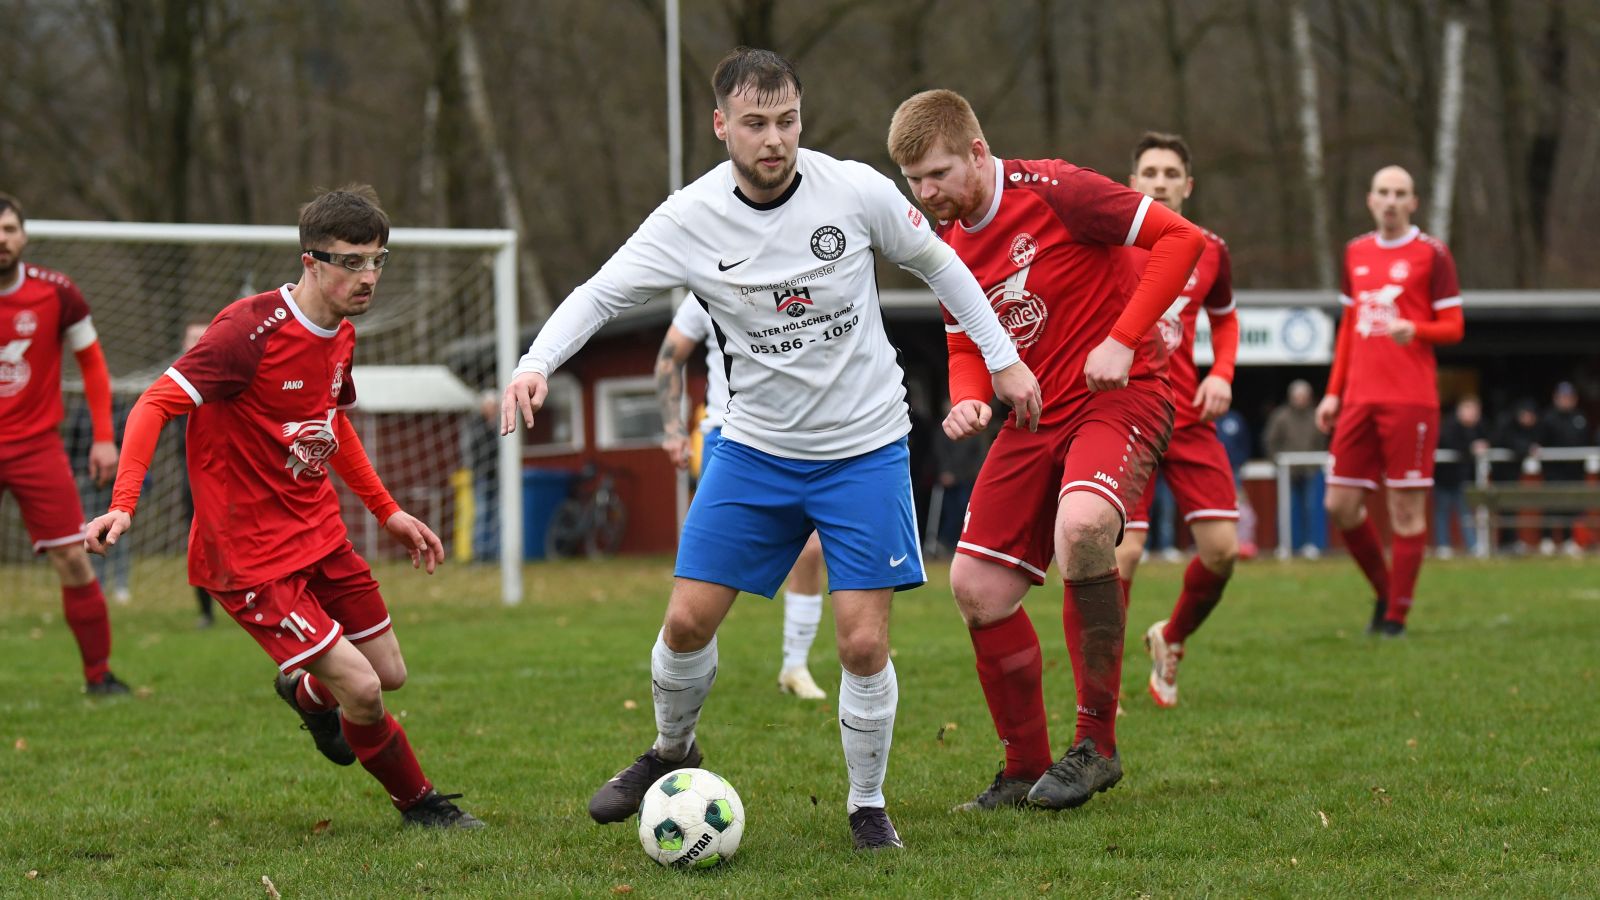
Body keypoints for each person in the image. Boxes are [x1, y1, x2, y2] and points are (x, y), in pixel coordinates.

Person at [501, 49, 1041, 851]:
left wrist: (1002, 358)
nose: (775, 139)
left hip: (864, 448)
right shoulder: (688, 218)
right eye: (755, 124)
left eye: (787, 120)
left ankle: (867, 805)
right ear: (721, 127)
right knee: (685, 624)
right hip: (754, 451)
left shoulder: (853, 190)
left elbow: (942, 264)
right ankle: (670, 751)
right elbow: (600, 292)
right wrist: (536, 363)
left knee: (861, 643)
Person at [85, 185, 482, 829]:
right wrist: (124, 503)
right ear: (310, 260)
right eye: (351, 262)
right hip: (249, 556)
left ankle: (302, 690)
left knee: (390, 671)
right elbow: (154, 402)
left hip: (319, 532)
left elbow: (335, 423)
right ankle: (421, 806)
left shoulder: (341, 334)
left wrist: (388, 513)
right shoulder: (245, 333)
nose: (369, 276)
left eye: (378, 259)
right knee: (363, 689)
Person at [888, 90, 1204, 810]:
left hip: (1119, 396)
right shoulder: (948, 246)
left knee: (1085, 528)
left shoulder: (1056, 190)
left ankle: (1096, 745)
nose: (928, 195)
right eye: (914, 183)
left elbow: (1179, 240)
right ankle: (1024, 765)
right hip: (1034, 418)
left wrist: (1122, 339)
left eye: (938, 175)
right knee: (974, 586)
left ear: (976, 150)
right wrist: (969, 395)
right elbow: (965, 339)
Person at [1115, 132, 1243, 710]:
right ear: (1132, 182)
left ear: (1188, 186)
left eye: (1171, 173)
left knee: (1221, 551)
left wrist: (1224, 373)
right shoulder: (1109, 241)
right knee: (1123, 552)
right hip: (1128, 412)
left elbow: (1227, 317)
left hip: (1188, 417)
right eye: (1150, 171)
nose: (1160, 181)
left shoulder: (1211, 248)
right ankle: (1102, 687)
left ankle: (1170, 637)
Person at [656, 295, 829, 700]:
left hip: (795, 437)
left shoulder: (802, 277)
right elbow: (670, 356)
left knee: (810, 550)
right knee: (708, 576)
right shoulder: (708, 283)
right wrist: (672, 428)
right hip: (729, 437)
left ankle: (794, 666)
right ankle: (679, 670)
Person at [1316, 166, 1464, 637]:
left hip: (1411, 399)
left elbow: (1455, 327)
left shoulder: (1432, 254)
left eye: (1401, 193)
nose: (1392, 201)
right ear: (1370, 199)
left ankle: (1396, 617)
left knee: (1405, 508)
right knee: (1339, 504)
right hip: (1359, 397)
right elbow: (1346, 328)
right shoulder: (1355, 252)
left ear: (1414, 202)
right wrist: (1333, 392)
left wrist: (1416, 329)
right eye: (1384, 192)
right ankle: (1385, 589)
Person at [0, 191, 129, 694]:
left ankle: (99, 676)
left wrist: (103, 437)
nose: (1, 239)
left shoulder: (57, 293)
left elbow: (93, 364)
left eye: (9, 229)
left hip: (36, 448)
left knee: (76, 557)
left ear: (24, 236)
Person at [68, 396, 134, 603]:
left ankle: (121, 585)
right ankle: (98, 583)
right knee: (91, 533)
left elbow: (131, 443)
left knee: (118, 534)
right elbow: (73, 444)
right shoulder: (81, 410)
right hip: (90, 482)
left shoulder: (121, 408)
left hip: (118, 484)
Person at [1264, 379, 1329, 556]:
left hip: (1310, 470)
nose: (1300, 399)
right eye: (1297, 396)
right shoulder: (1281, 416)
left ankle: (1313, 545)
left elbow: (1323, 442)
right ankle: (1287, 546)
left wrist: (1316, 462)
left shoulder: (1316, 415)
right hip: (1288, 473)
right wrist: (1277, 463)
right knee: (1287, 509)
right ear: (1291, 397)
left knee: (1313, 508)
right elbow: (1270, 442)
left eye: (1303, 396)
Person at [1536, 381, 1589, 556]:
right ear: (1556, 398)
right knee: (1551, 506)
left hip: (1574, 472)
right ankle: (1547, 540)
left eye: (1569, 397)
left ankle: (1568, 540)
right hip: (1553, 472)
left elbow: (1587, 442)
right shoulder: (1548, 418)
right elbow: (1539, 443)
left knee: (1571, 507)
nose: (1566, 400)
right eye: (1562, 397)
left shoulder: (1580, 418)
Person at [929, 400, 987, 556]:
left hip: (967, 478)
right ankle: (946, 544)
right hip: (949, 480)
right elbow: (940, 452)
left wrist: (973, 473)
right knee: (950, 512)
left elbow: (979, 454)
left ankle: (963, 543)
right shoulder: (943, 429)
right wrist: (946, 471)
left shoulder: (975, 428)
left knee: (965, 511)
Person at [1434, 395, 1488, 558]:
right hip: (1444, 478)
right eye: (1470, 410)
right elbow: (1449, 443)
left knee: (1465, 513)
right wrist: (1471, 448)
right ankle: (1443, 545)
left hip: (1463, 479)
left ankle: (1472, 545)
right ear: (1460, 410)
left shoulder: (1478, 428)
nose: (1473, 414)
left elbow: (1490, 438)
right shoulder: (1449, 426)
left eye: (1475, 411)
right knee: (1442, 512)